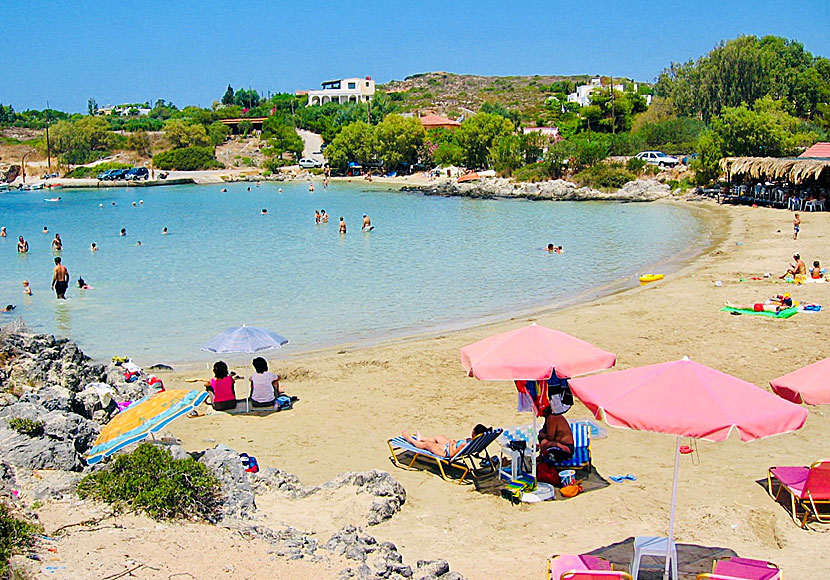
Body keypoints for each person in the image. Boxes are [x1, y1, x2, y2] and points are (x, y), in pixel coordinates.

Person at [401, 424, 490, 458]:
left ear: (474, 434)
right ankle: (421, 438)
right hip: (450, 447)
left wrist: (451, 444)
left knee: (427, 445)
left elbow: (451, 455)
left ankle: (410, 439)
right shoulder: (475, 442)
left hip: (445, 452)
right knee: (440, 437)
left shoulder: (464, 445)